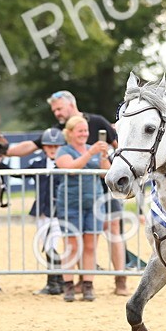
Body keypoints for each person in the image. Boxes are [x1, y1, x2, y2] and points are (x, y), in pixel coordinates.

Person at [55, 115, 112, 302]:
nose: (84, 134)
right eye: (80, 131)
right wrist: (91, 153)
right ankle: (69, 286)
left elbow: (106, 173)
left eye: (86, 130)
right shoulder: (63, 150)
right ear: (70, 133)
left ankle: (88, 285)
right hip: (70, 204)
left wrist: (103, 155)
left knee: (90, 246)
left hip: (93, 203)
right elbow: (70, 167)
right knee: (71, 246)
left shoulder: (93, 150)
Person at [28, 128, 66, 296]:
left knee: (52, 244)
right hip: (42, 211)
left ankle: (54, 282)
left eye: (56, 146)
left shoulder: (64, 163)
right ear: (43, 147)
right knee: (46, 244)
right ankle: (57, 281)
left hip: (57, 212)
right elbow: (21, 174)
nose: (52, 149)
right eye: (49, 146)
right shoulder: (38, 163)